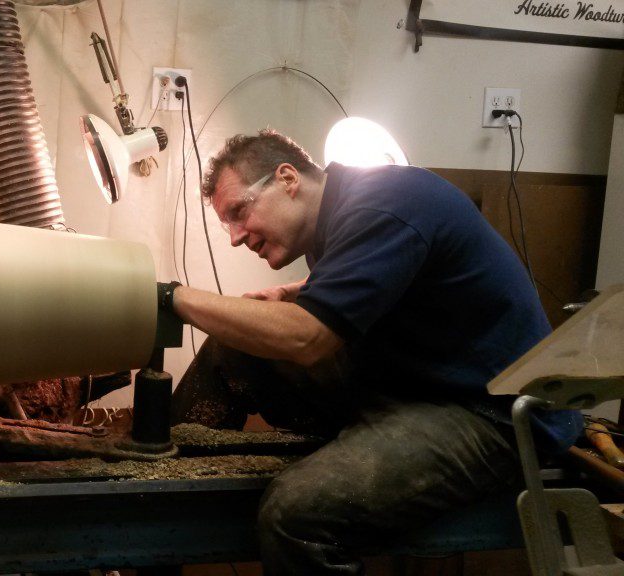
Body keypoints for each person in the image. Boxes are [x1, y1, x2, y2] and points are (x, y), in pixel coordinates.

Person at [160, 130, 583, 575]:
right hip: (414, 380)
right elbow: (395, 269)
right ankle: (158, 488)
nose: (235, 237)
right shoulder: (349, 209)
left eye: (239, 213)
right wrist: (299, 290)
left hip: (491, 413)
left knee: (294, 516)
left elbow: (308, 339)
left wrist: (175, 298)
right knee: (233, 346)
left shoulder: (382, 203)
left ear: (287, 178)